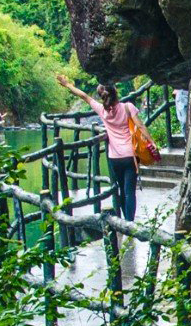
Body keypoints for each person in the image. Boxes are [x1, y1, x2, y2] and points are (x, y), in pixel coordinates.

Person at [56, 74, 139, 222]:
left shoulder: (102, 110)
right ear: (115, 92)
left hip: (115, 157)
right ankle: (130, 223)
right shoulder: (128, 107)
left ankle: (126, 222)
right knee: (130, 191)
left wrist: (67, 84)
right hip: (130, 155)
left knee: (120, 189)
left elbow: (84, 96)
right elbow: (140, 126)